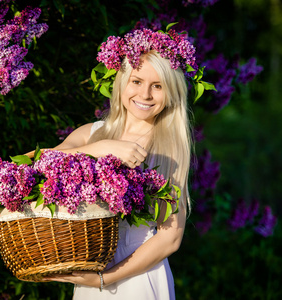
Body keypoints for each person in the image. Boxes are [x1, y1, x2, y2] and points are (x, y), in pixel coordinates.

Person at [26, 28, 195, 299]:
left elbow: (170, 238)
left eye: (158, 86)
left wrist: (105, 279)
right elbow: (28, 166)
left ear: (171, 92)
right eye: (137, 81)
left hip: (138, 276)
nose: (146, 95)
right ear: (122, 82)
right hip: (89, 268)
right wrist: (99, 148)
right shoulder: (90, 134)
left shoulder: (168, 150)